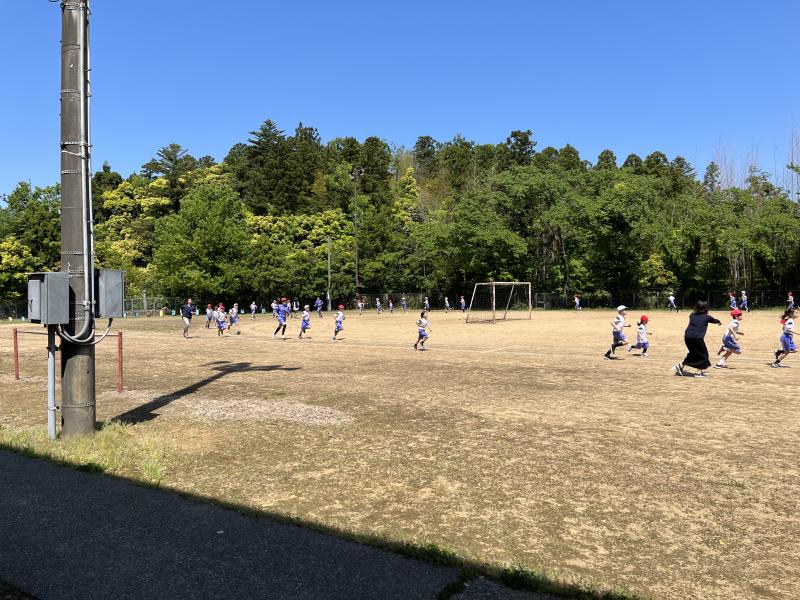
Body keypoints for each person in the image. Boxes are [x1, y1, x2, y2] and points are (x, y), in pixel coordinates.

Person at [673, 300, 722, 377]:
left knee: (693, 353)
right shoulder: (707, 317)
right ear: (706, 309)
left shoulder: (692, 315)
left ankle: (681, 365)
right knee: (704, 355)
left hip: (687, 337)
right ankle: (698, 373)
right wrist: (719, 322)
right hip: (697, 338)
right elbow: (714, 320)